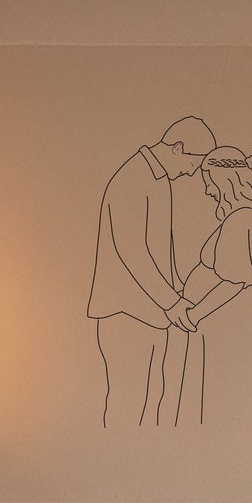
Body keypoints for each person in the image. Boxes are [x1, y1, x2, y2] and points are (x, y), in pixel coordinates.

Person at [86, 115, 216, 426]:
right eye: (194, 163)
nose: (193, 172)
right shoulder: (132, 178)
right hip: (126, 315)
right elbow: (133, 252)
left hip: (150, 314)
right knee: (127, 404)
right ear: (178, 148)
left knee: (150, 401)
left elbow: (159, 249)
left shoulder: (157, 180)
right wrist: (172, 301)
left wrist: (180, 293)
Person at [171, 145, 252, 427]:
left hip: (234, 328)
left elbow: (235, 282)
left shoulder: (247, 220)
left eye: (209, 182)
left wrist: (194, 314)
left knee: (232, 411)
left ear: (226, 181)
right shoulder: (236, 219)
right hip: (216, 327)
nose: (207, 190)